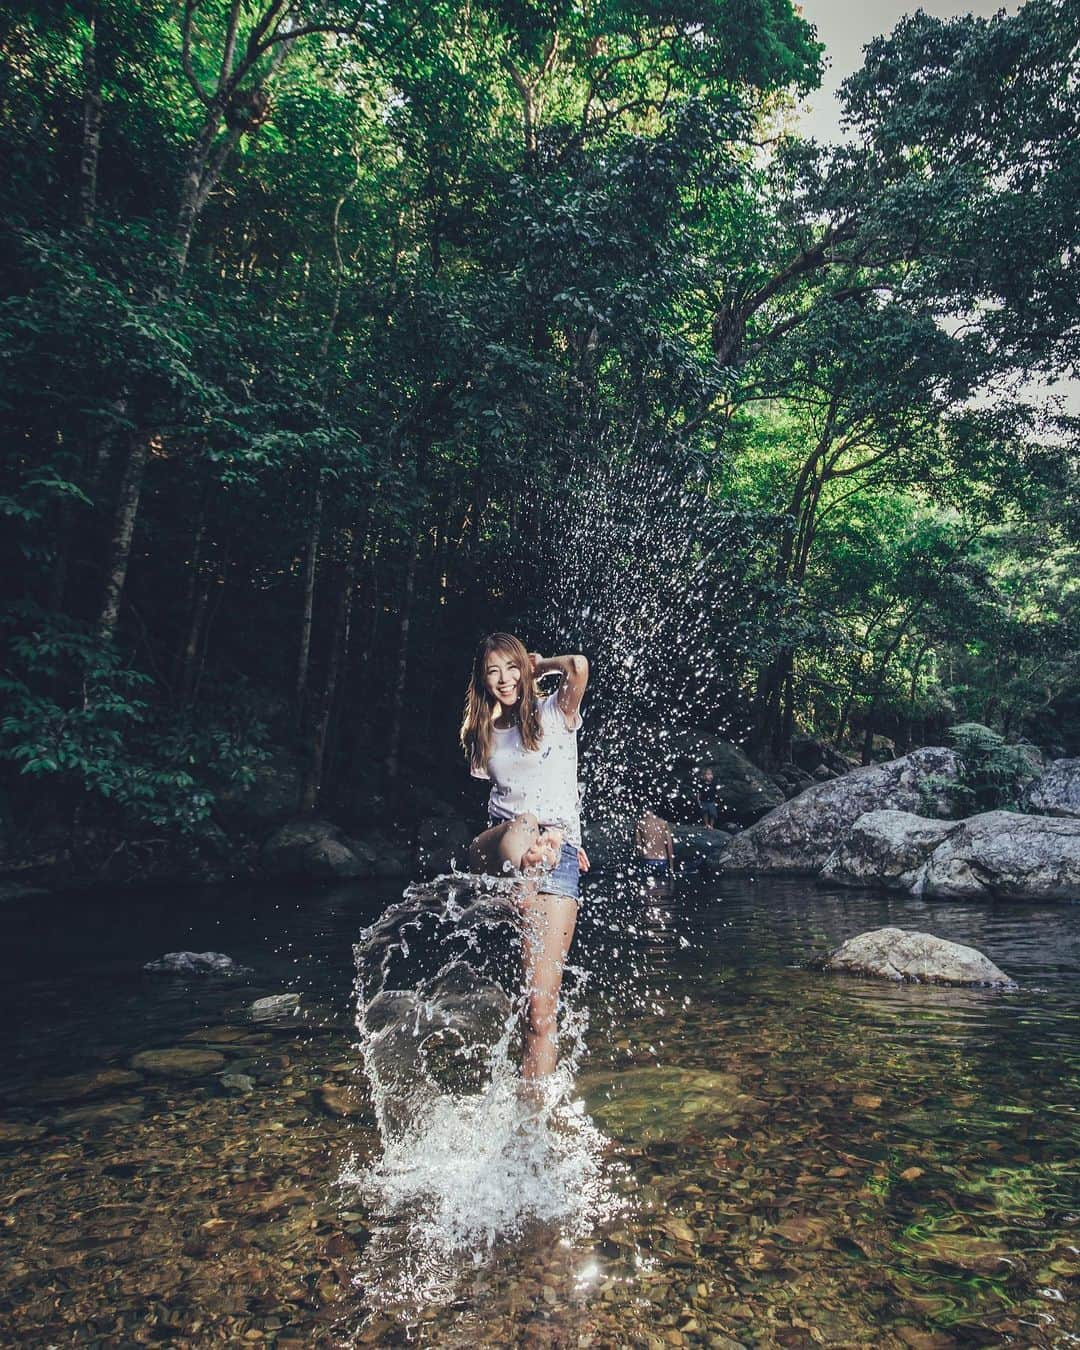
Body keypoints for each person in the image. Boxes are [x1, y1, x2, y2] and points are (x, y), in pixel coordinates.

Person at [460, 633, 590, 1082]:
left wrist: (541, 665)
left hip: (557, 862)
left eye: (512, 668)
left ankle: (530, 1120)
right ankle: (526, 869)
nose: (505, 679)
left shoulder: (555, 713)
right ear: (482, 678)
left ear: (526, 668)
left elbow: (577, 665)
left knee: (538, 1011)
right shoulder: (483, 734)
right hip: (500, 853)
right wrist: (523, 842)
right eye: (493, 671)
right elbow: (501, 800)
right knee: (527, 822)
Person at [634, 810, 675, 892]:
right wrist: (671, 867)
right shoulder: (664, 823)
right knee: (663, 887)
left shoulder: (640, 823)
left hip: (647, 860)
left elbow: (638, 845)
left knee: (647, 889)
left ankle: (648, 904)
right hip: (662, 860)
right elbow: (669, 846)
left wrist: (639, 860)